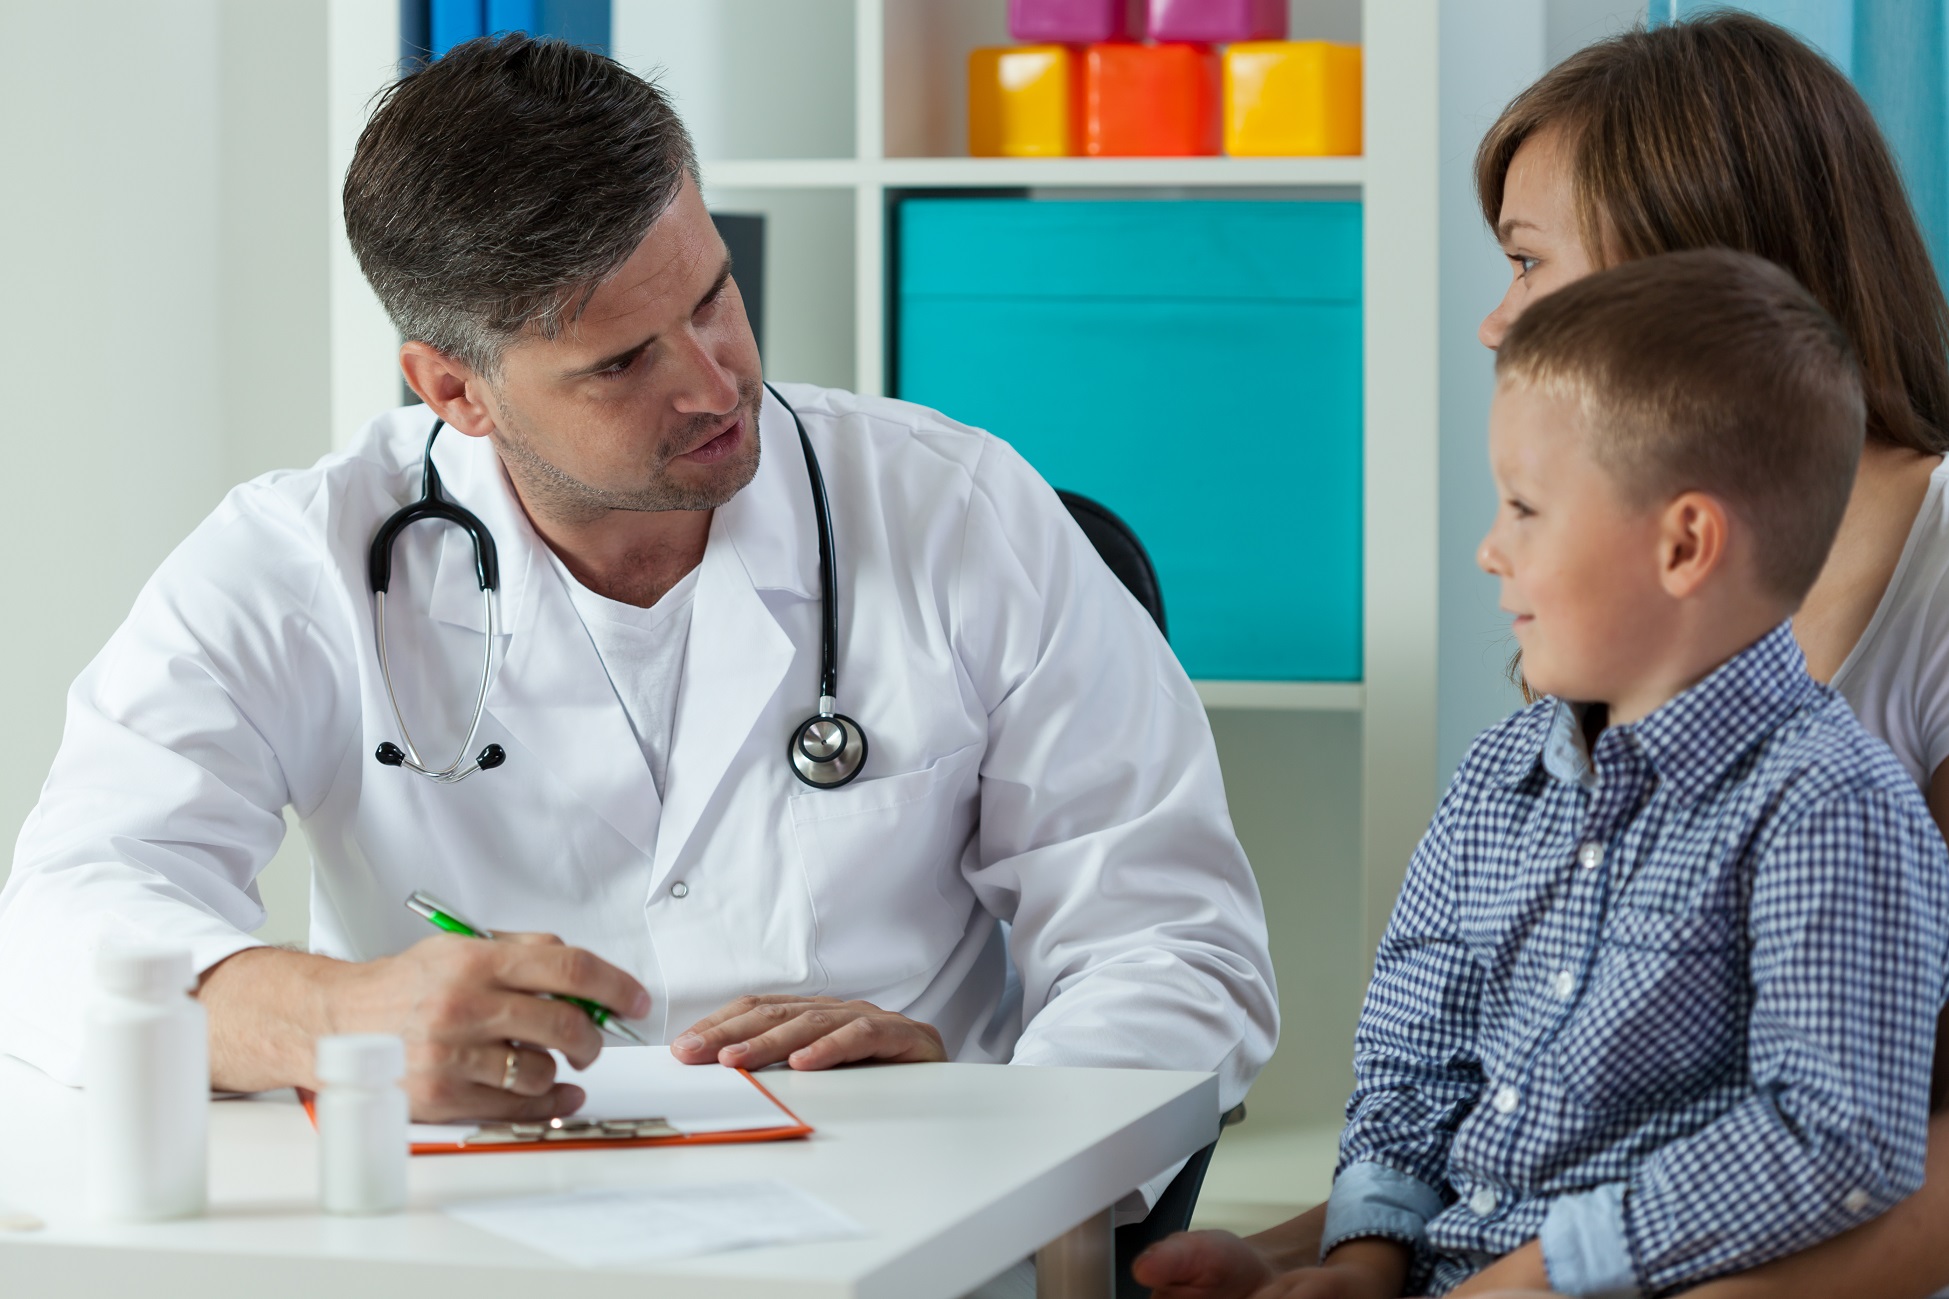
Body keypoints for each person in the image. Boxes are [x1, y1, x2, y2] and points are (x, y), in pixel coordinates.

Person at [0, 34, 1277, 1150]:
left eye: (716, 295)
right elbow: (63, 919)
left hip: (895, 1223)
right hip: (469, 1231)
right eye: (621, 364)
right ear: (452, 389)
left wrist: (989, 1128)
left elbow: (1171, 945)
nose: (717, 384)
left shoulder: (957, 509)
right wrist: (335, 1016)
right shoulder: (298, 560)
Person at [1137, 13, 1949, 1297]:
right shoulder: (1580, 652)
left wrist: (1528, 1279)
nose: (1494, 320)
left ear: (1704, 287)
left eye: (1527, 262)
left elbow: (1859, 1143)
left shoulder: (1841, 756)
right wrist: (1339, 1252)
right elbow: (1499, 1077)